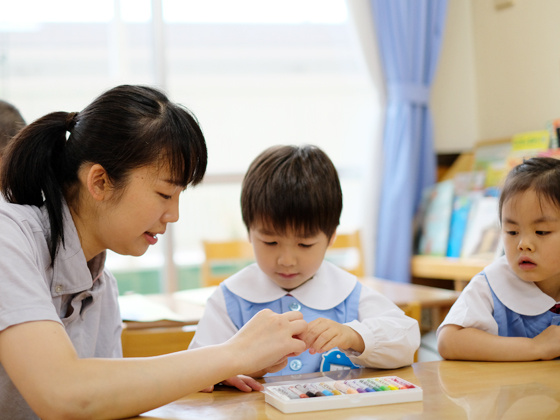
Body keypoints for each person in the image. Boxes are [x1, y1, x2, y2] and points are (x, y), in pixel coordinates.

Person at [0, 85, 307, 420]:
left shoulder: (101, 287)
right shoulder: (9, 236)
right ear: (99, 182)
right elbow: (64, 394)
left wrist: (202, 371)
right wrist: (233, 354)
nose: (173, 214)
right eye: (164, 193)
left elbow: (101, 403)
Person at [189, 145, 421, 392]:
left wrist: (354, 336)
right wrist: (235, 369)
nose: (287, 260)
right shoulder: (231, 298)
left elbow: (407, 341)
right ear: (249, 232)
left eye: (305, 244)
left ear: (331, 237)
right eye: (270, 242)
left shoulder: (347, 293)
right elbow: (197, 368)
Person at [437, 157, 560, 361]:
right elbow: (449, 341)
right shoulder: (491, 284)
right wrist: (535, 347)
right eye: (512, 232)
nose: (523, 244)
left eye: (541, 231)